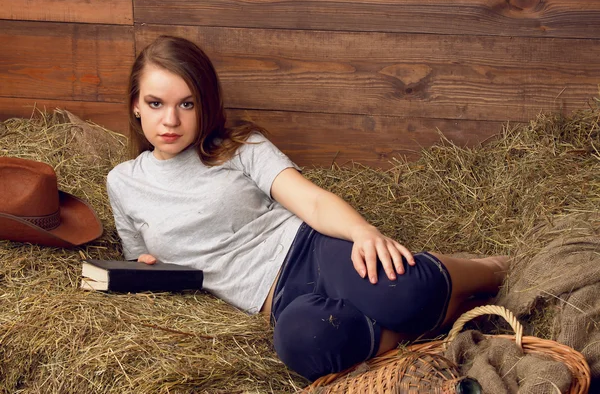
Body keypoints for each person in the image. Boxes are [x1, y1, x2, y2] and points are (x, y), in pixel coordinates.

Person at [107, 35, 509, 381]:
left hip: (312, 250)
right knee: (306, 346)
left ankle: (489, 269)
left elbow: (311, 200)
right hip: (274, 301)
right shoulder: (122, 183)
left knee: (401, 292)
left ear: (205, 104)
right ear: (136, 105)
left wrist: (364, 232)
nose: (170, 120)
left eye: (187, 105)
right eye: (156, 103)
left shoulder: (238, 146)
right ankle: (447, 312)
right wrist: (149, 266)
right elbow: (136, 260)